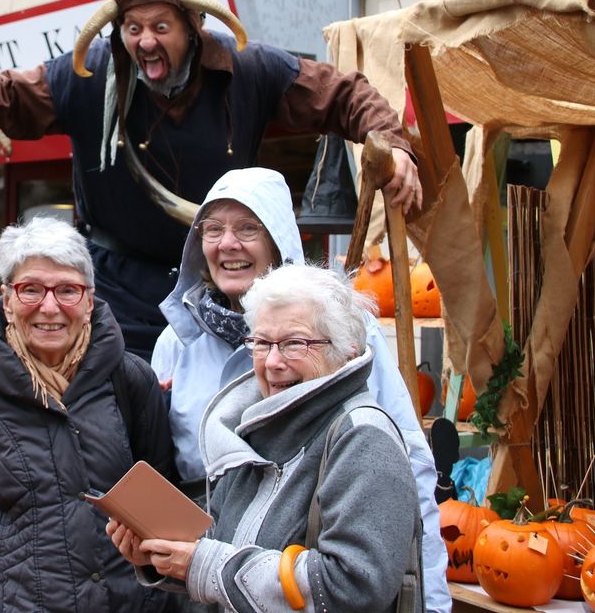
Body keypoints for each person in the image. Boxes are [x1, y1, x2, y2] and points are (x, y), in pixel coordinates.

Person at [0, 0, 422, 360]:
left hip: (222, 280)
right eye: (133, 29)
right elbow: (6, 97)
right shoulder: (84, 77)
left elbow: (343, 94)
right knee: (122, 415)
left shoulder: (249, 68)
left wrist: (391, 145)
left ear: (192, 27)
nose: (145, 41)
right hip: (116, 289)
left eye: (160, 27)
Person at [152, 167, 450, 613]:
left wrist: (431, 600)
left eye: (248, 228)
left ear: (278, 241)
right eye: (212, 229)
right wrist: (158, 545)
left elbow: (406, 471)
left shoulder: (350, 343)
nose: (227, 243)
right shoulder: (177, 342)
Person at [109, 263, 422, 613]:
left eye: (294, 344)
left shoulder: (362, 439)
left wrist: (205, 565)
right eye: (261, 343)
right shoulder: (254, 431)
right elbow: (218, 557)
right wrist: (160, 553)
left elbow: (353, 586)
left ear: (344, 352)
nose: (272, 361)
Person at [0, 216, 176, 613]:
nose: (50, 307)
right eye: (30, 290)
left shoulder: (130, 379)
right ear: (7, 299)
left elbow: (159, 507)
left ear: (90, 299)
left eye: (67, 290)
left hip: (122, 602)